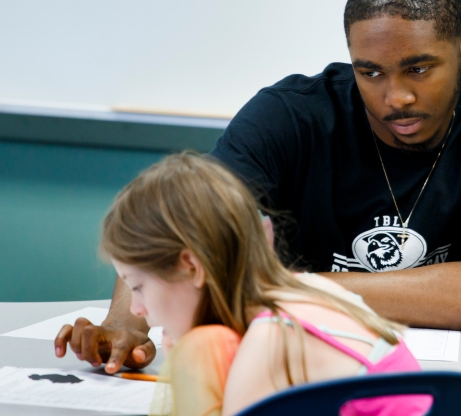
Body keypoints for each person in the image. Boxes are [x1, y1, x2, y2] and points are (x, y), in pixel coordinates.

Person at [55, 0, 461, 415]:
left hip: (460, 371)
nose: (394, 96)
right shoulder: (289, 115)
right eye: (369, 71)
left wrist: (273, 289)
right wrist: (126, 321)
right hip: (304, 361)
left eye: (418, 68)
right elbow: (175, 222)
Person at [98, 152, 430, 416]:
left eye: (138, 287)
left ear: (191, 266)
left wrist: (188, 369)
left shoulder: (269, 341)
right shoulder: (304, 291)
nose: (135, 308)